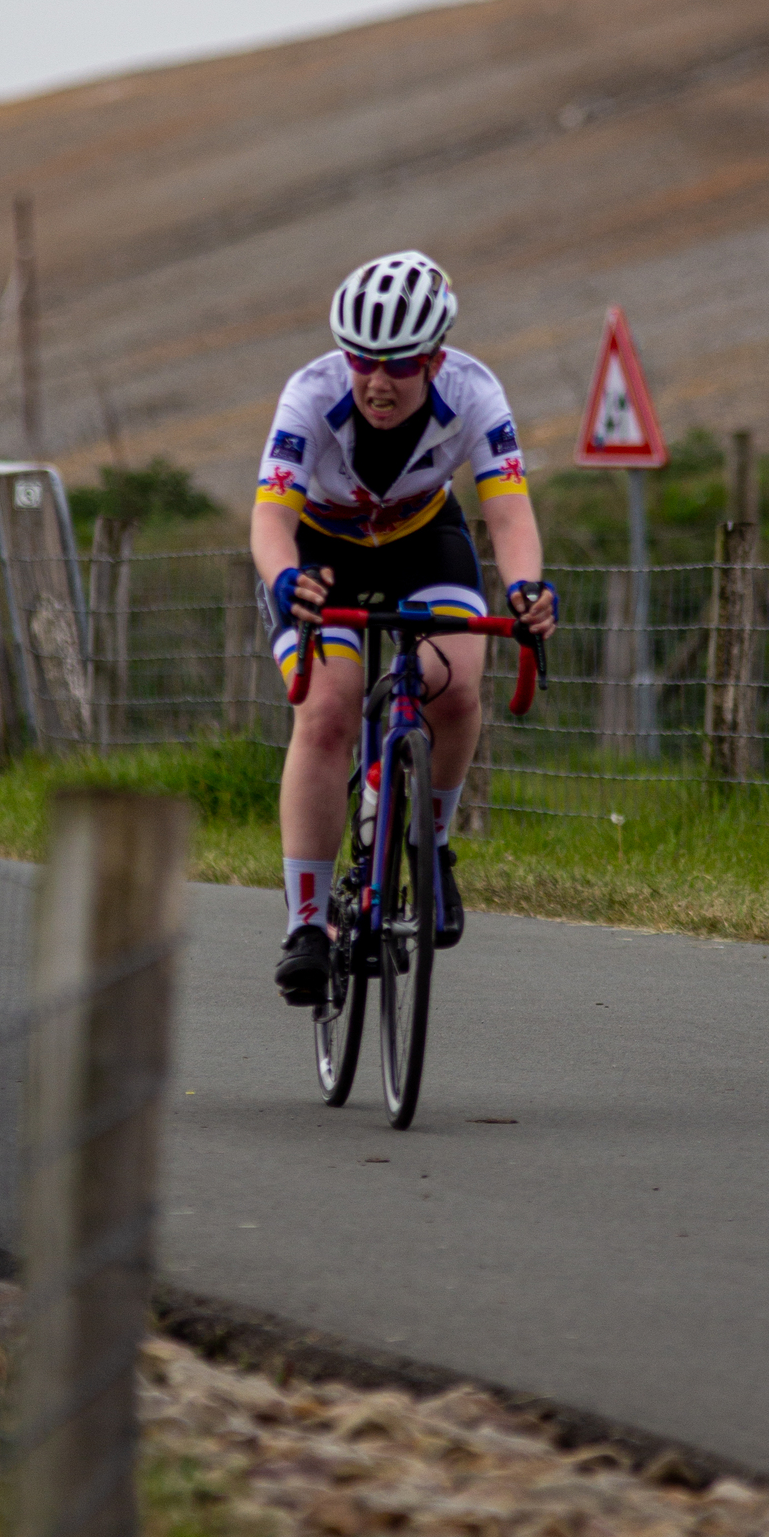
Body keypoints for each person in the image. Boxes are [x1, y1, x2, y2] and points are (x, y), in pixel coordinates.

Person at [251, 250, 558, 1006]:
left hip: (424, 538)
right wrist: (286, 578)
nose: (377, 381)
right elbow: (269, 519)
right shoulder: (311, 395)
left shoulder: (476, 392)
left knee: (455, 686)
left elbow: (510, 512)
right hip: (322, 550)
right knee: (327, 708)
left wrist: (524, 591)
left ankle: (430, 845)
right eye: (361, 360)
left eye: (400, 364)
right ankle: (308, 924)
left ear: (437, 357)